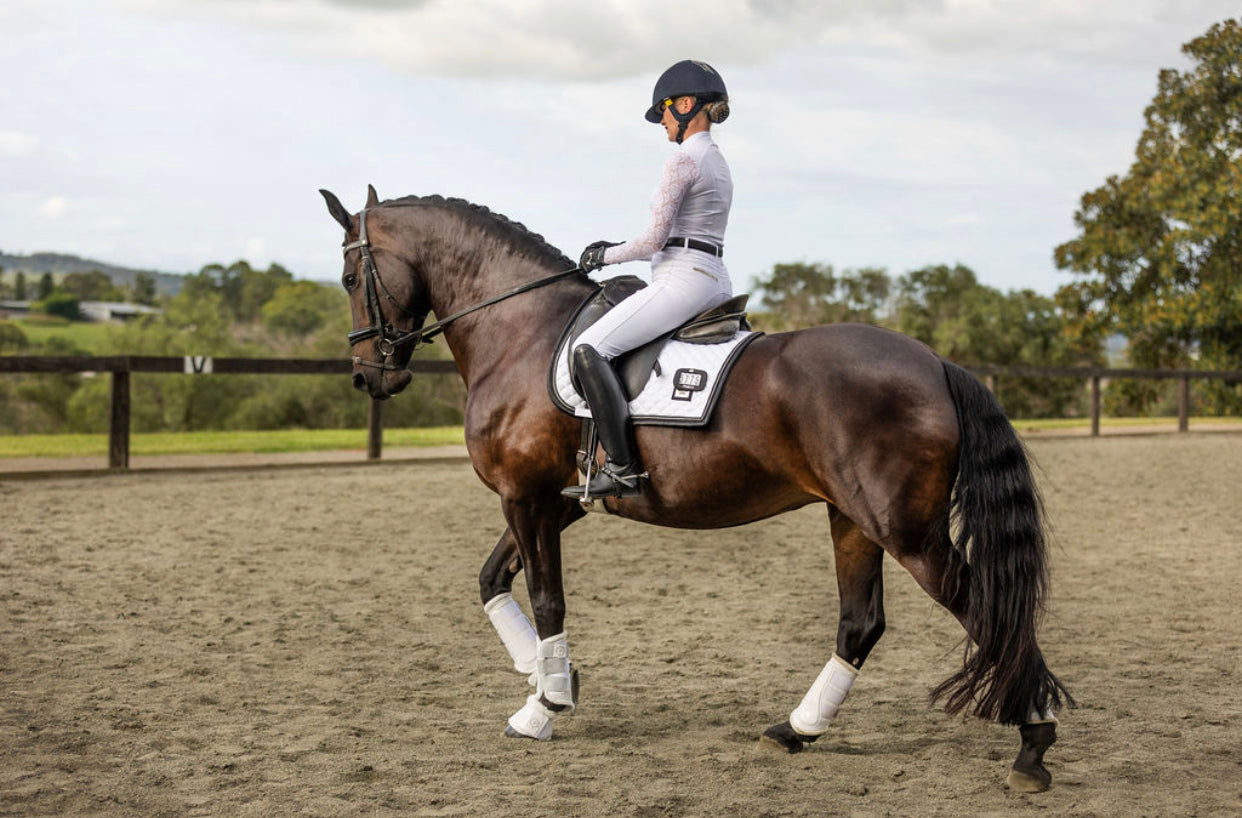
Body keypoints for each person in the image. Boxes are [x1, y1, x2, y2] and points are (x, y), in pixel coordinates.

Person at [563, 59, 735, 501]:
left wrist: (604, 254)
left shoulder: (682, 161)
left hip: (683, 278)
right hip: (716, 281)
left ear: (685, 105)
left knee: (589, 350)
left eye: (663, 112)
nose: (661, 122)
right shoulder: (717, 161)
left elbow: (654, 239)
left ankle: (621, 467)